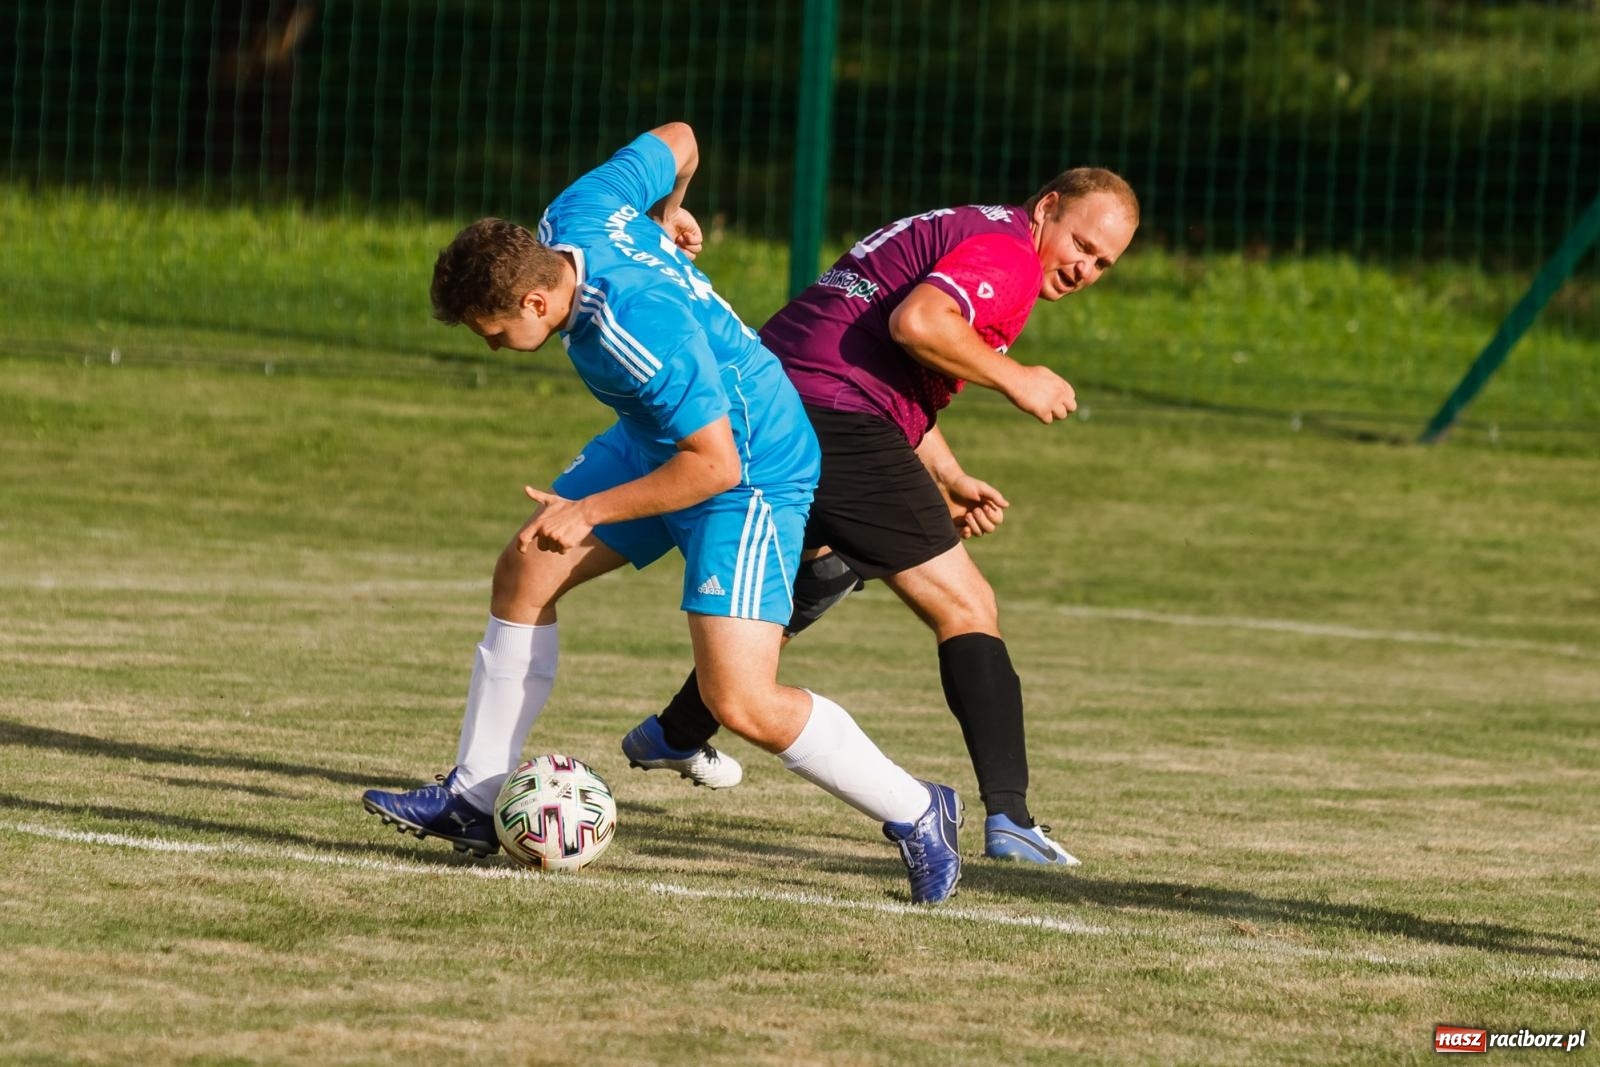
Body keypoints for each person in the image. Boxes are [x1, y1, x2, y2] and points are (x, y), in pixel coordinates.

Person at [360, 123, 962, 905]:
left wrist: (589, 510)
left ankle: (919, 809)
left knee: (738, 699)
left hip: (751, 467)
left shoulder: (631, 326)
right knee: (526, 567)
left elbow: (715, 466)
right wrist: (671, 211)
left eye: (495, 332)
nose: (494, 346)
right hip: (665, 439)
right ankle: (475, 798)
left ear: (536, 300)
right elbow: (680, 137)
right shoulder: (576, 213)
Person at [620, 168, 1139, 868]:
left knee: (823, 569)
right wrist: (1018, 377)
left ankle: (676, 731)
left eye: (1103, 263)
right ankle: (1011, 820)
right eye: (1081, 244)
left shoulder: (967, 226)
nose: (1084, 269)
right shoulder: (1011, 255)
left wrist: (948, 475)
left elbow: (882, 360)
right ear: (1047, 206)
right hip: (834, 417)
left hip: (768, 398)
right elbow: (918, 324)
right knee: (966, 604)